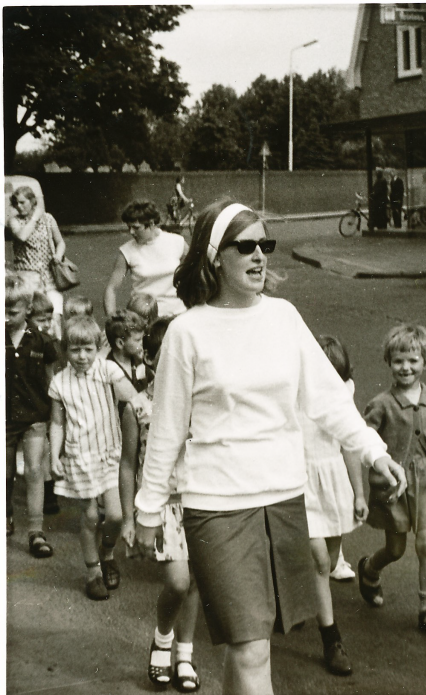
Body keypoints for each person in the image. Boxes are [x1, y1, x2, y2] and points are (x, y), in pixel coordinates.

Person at [133, 199, 407, 695]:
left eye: (266, 245)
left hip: (282, 499)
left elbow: (327, 398)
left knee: (252, 643)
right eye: (246, 246)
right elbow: (168, 430)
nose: (260, 256)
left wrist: (373, 451)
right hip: (216, 506)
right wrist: (148, 508)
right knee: (252, 647)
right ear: (216, 256)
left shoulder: (283, 317)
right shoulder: (187, 332)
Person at [119, 316, 202, 692]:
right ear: (150, 361)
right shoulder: (137, 407)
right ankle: (163, 638)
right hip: (163, 504)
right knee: (178, 581)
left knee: (196, 583)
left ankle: (184, 655)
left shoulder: (200, 402)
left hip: (202, 499)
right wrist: (129, 518)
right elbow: (127, 464)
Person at [357, 324, 426, 638]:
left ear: (425, 360)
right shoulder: (381, 404)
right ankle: (370, 568)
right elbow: (363, 441)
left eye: (413, 360)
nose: (406, 367)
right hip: (394, 486)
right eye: (399, 360)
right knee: (395, 549)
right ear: (388, 361)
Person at [49, 315, 146, 600]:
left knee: (115, 515)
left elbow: (131, 396)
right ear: (65, 350)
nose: (82, 356)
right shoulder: (59, 383)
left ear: (97, 348)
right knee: (90, 515)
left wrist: (142, 406)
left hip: (109, 453)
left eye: (88, 349)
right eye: (75, 350)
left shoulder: (107, 370)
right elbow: (56, 423)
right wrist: (55, 455)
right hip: (79, 456)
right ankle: (93, 574)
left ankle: (107, 552)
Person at [303, 335, 368, 676]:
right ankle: (331, 638)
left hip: (332, 480)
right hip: (300, 480)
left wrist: (358, 492)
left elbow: (350, 444)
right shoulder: (294, 394)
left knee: (327, 561)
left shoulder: (344, 394)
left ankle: (301, 597)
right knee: (318, 560)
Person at [6, 273, 60, 551]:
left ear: (28, 309)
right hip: (5, 418)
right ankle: (6, 516)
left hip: (36, 415)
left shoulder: (41, 341)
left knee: (35, 469)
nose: (5, 316)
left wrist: (57, 410)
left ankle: (36, 531)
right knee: (5, 470)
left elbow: (51, 379)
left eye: (11, 312)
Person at [104, 200, 188, 318]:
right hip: (142, 317)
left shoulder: (177, 241)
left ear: (152, 223)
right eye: (129, 227)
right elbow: (111, 289)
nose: (131, 232)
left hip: (177, 314)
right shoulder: (126, 251)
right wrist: (111, 321)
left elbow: (196, 273)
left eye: (136, 227)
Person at [8, 186, 67, 336]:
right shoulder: (14, 221)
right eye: (16, 203)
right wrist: (35, 218)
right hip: (27, 279)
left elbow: (60, 242)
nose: (19, 206)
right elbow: (22, 236)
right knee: (34, 319)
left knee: (55, 318)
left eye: (22, 202)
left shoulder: (48, 218)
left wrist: (58, 256)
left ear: (32, 201)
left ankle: (57, 352)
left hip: (50, 277)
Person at [26, 290, 63, 515]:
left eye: (50, 319)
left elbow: (50, 374)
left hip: (42, 398)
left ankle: (49, 492)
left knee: (46, 446)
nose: (47, 324)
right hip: (25, 396)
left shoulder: (47, 342)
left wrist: (53, 398)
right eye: (42, 320)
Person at [105, 311, 148, 395]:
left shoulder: (138, 359)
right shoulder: (109, 370)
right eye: (138, 340)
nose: (142, 343)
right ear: (120, 343)